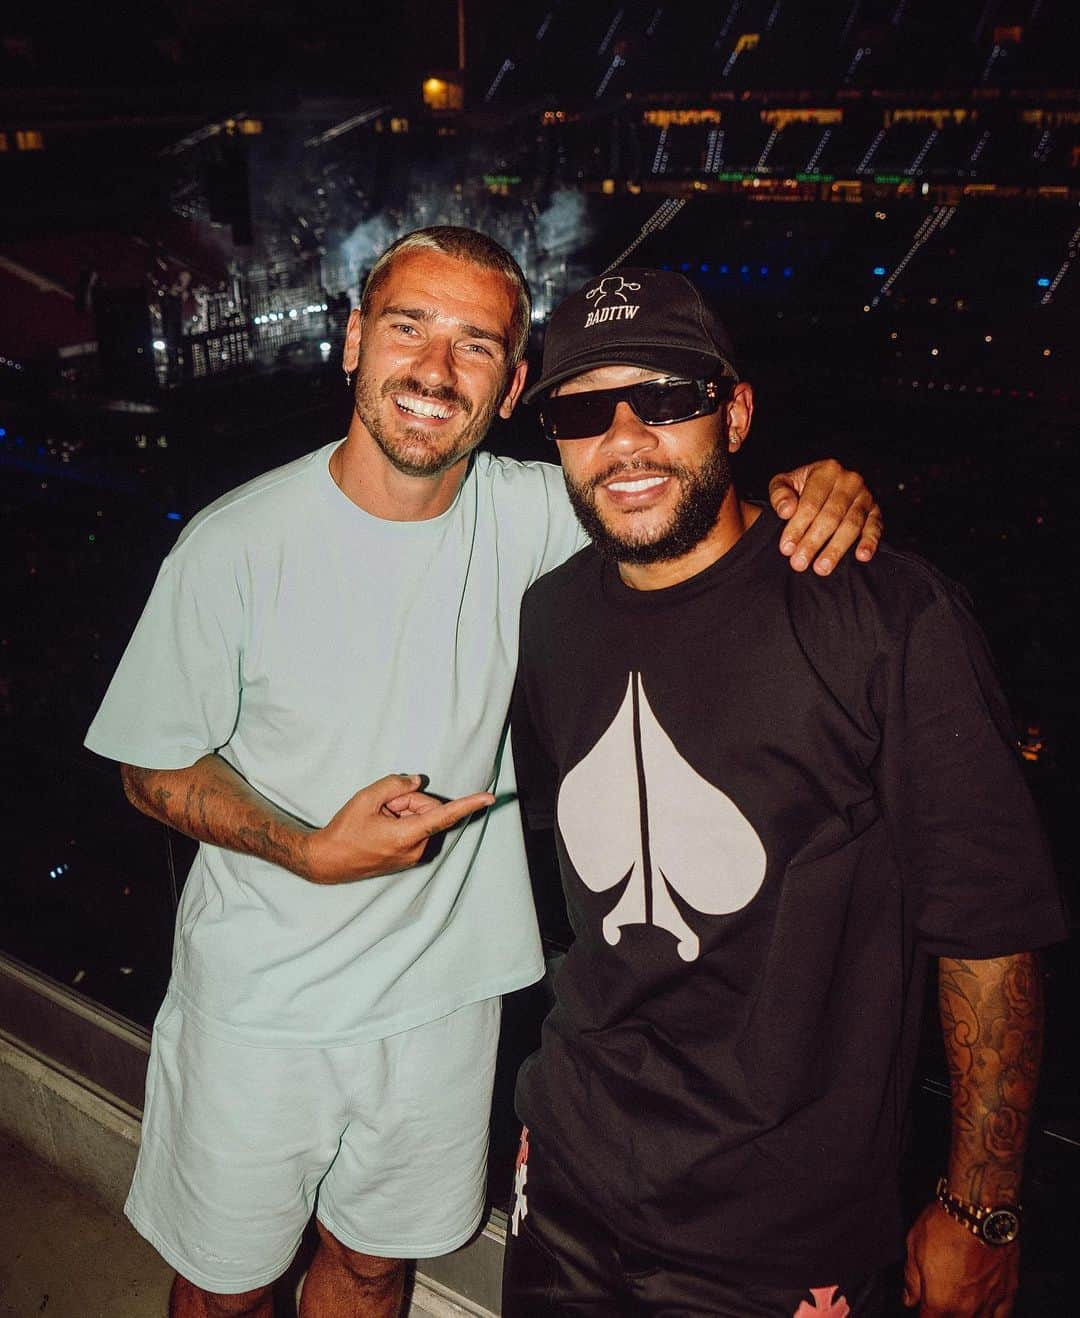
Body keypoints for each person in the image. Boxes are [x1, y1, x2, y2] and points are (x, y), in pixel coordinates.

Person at [85, 227, 882, 1318]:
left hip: (450, 1008)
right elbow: (147, 764)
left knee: (372, 1268)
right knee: (225, 1285)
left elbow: (672, 488)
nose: (433, 369)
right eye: (408, 327)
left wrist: (811, 483)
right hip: (258, 1011)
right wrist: (305, 849)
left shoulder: (540, 512)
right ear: (356, 341)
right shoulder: (232, 546)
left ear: (512, 389)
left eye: (475, 346)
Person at [505, 268, 1067, 1318]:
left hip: (781, 1232)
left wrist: (981, 1208)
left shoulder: (884, 617)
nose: (626, 438)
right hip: (567, 1179)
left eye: (667, 398)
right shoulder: (548, 619)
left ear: (738, 411)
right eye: (584, 409)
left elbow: (989, 931)